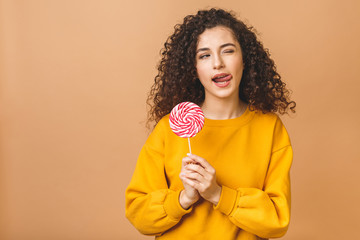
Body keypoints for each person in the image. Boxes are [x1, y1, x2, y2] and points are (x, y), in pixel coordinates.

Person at [125, 8, 296, 240]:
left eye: (228, 51)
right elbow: (139, 214)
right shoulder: (169, 128)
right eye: (204, 55)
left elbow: (277, 220)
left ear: (245, 60)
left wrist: (217, 194)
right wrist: (184, 199)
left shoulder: (269, 128)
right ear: (193, 69)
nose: (218, 63)